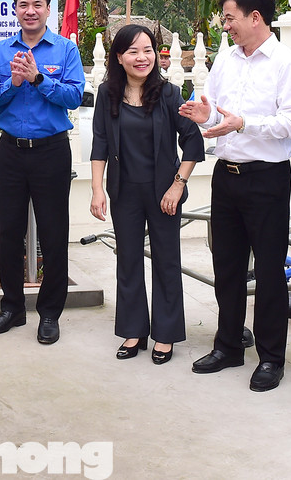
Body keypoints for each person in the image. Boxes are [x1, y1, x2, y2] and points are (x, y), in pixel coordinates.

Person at [180, 0, 291, 392]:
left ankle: (271, 357)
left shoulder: (286, 64)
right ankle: (229, 345)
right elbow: (217, 110)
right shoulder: (226, 59)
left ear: (256, 17)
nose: (226, 26)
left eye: (231, 18)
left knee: (270, 270)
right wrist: (205, 114)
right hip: (227, 175)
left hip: (267, 178)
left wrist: (244, 124)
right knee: (228, 266)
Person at [0, 0, 86, 345]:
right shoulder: (0, 50)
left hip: (51, 152)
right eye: (23, 4)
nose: (30, 11)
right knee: (9, 233)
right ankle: (11, 308)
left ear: (47, 9)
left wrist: (38, 78)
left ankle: (50, 314)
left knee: (54, 235)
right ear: (15, 9)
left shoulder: (65, 49)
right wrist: (12, 81)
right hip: (10, 151)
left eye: (37, 4)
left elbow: (73, 97)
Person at [89, 24, 204, 365]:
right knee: (128, 262)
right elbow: (100, 145)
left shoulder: (169, 94)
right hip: (124, 191)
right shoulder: (107, 93)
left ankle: (165, 335)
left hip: (163, 192)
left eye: (148, 50)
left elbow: (193, 143)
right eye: (134, 52)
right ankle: (133, 330)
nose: (143, 58)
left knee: (166, 261)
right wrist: (97, 190)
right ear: (119, 57)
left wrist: (178, 184)